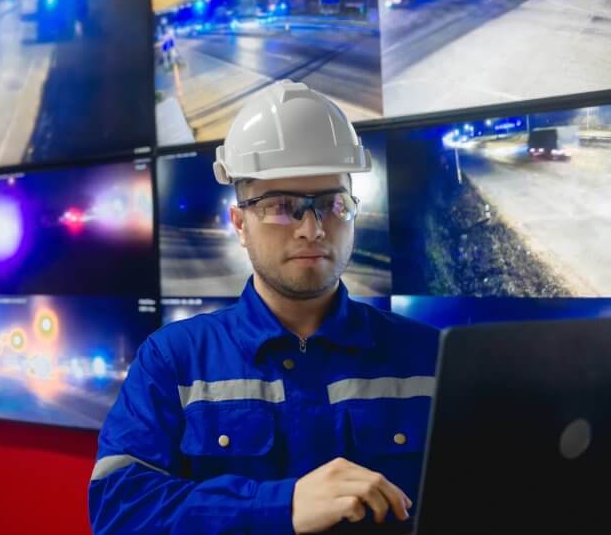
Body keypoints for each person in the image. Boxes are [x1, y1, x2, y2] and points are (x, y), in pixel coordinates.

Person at [88, 80, 439, 534]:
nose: (312, 229)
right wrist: (281, 506)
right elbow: (120, 510)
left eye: (332, 204)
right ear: (239, 223)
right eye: (281, 206)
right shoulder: (174, 361)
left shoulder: (427, 357)